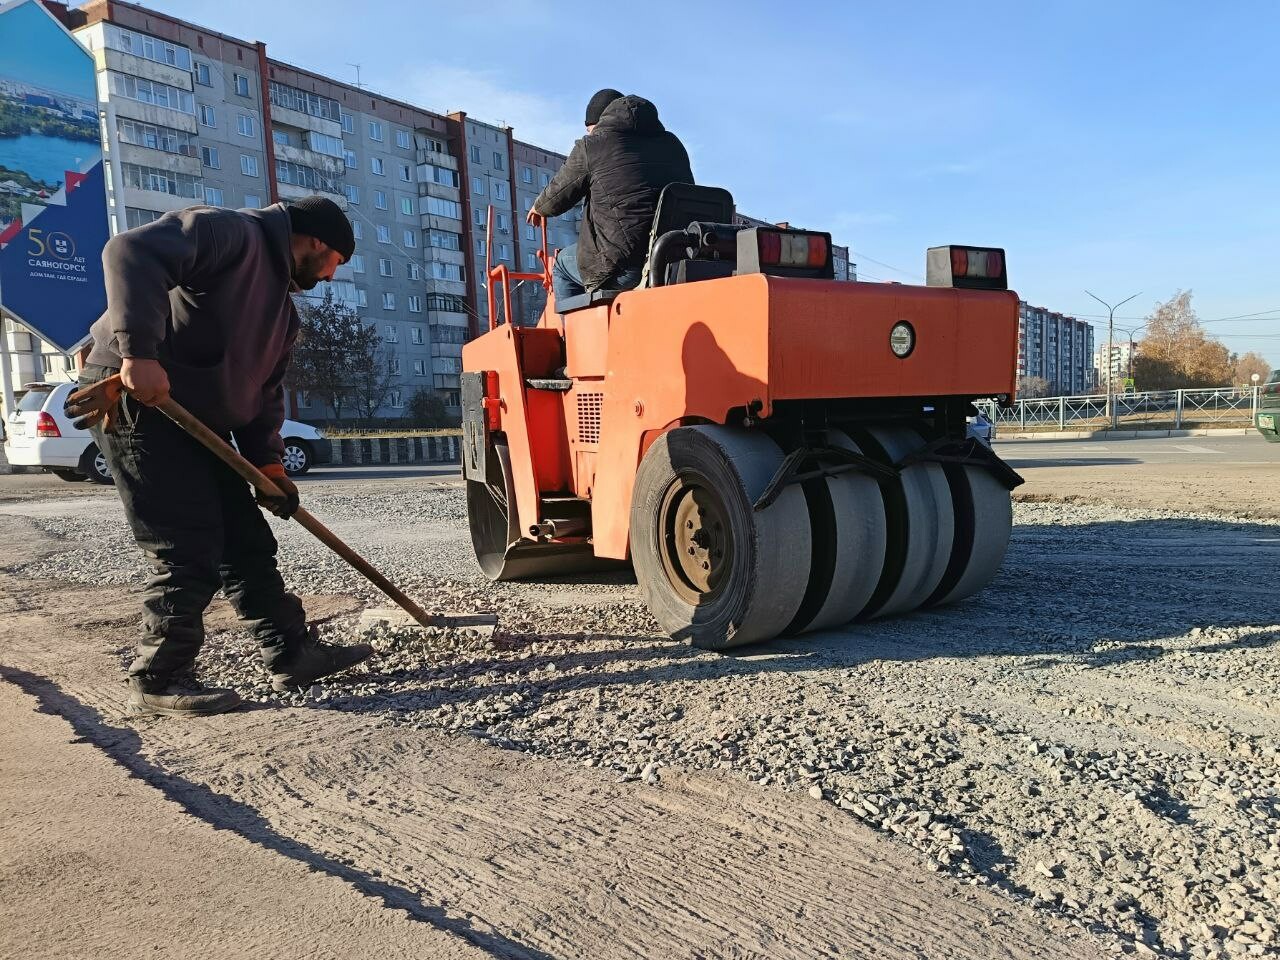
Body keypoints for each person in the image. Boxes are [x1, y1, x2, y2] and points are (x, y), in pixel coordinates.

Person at [67, 196, 375, 717]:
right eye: (335, 263)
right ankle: (158, 678)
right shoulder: (232, 233)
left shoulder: (281, 313)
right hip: (136, 399)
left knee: (245, 539)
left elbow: (265, 391)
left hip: (195, 417)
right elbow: (128, 251)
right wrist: (138, 353)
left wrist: (269, 464)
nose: (330, 275)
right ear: (318, 242)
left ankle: (290, 653)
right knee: (186, 543)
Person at [527, 88, 693, 305]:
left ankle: (576, 336)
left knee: (560, 264)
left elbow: (557, 195)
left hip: (624, 268)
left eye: (590, 128)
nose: (589, 133)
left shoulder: (593, 145)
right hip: (675, 260)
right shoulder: (673, 145)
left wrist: (539, 208)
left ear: (601, 121)